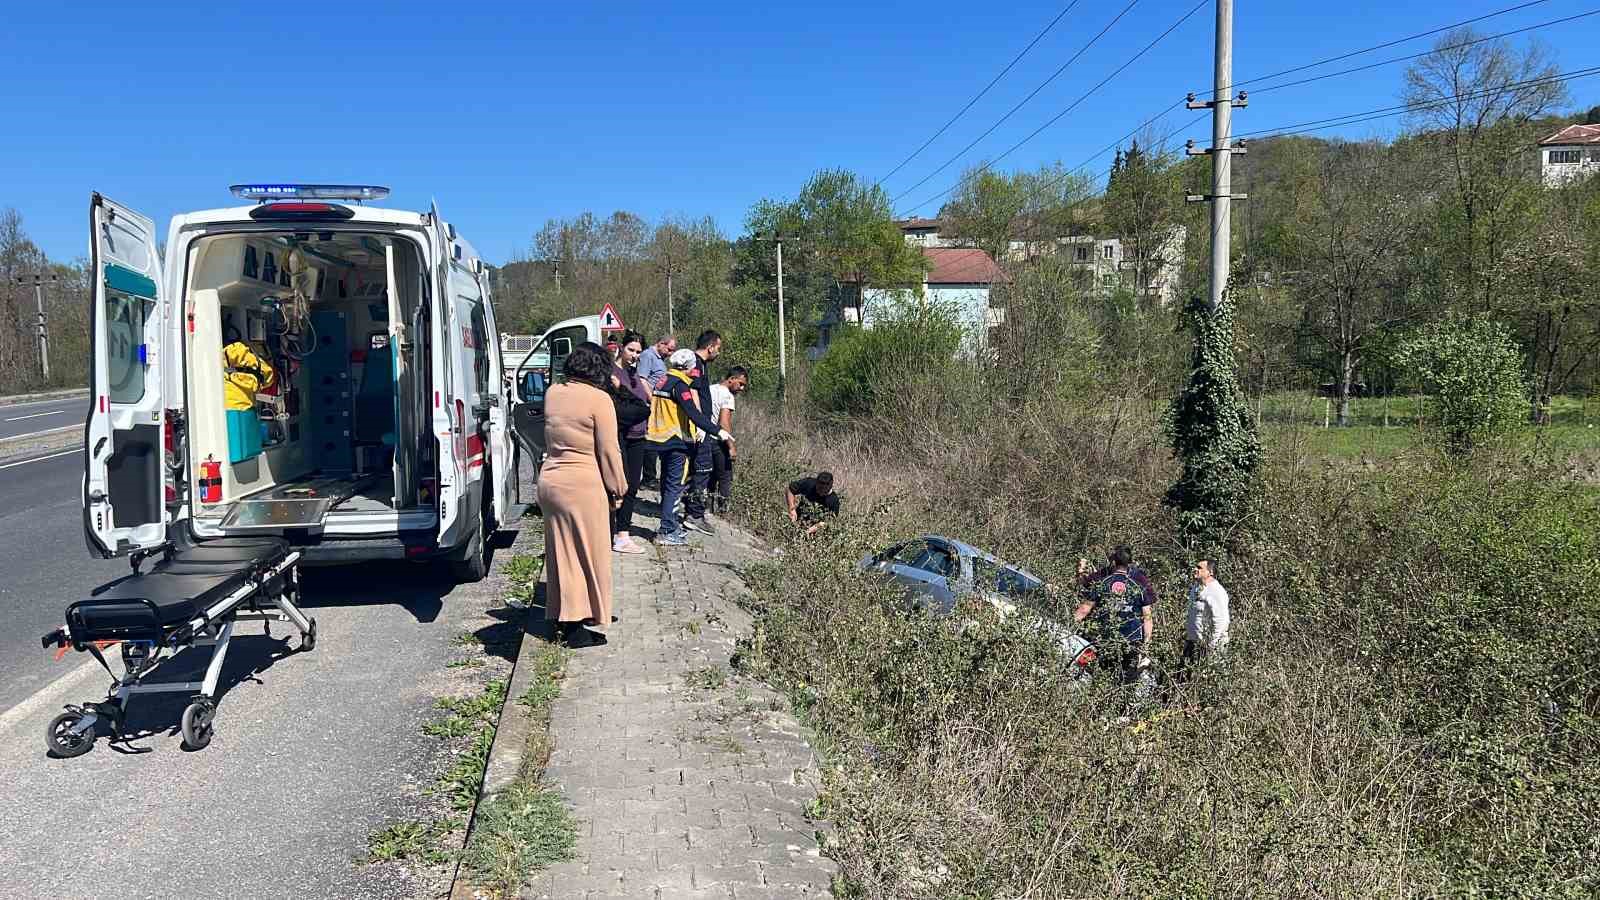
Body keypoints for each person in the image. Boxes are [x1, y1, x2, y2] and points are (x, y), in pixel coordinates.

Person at [538, 342, 628, 646]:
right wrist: (618, 488)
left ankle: (566, 617)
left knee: (562, 554)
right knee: (591, 555)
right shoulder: (599, 400)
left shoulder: (553, 393)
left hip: (551, 480)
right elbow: (608, 450)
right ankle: (578, 627)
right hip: (582, 484)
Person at [646, 348, 732, 546]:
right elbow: (693, 412)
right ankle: (667, 530)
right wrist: (717, 430)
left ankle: (670, 526)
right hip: (676, 441)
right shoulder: (680, 386)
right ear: (688, 367)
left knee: (667, 484)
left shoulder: (663, 380)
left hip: (659, 439)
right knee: (674, 487)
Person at [1074, 545, 1159, 689]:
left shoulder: (1103, 582)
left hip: (1105, 639)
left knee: (1099, 678)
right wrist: (1147, 643)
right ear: (1130, 562)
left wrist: (1070, 629)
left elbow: (1083, 610)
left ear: (1113, 562)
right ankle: (1120, 706)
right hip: (1131, 640)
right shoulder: (1139, 584)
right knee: (1125, 683)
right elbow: (1147, 617)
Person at [610, 332, 651, 554]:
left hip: (638, 436)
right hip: (622, 435)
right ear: (621, 348)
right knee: (620, 485)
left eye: (638, 352)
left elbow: (647, 401)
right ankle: (619, 534)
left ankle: (622, 532)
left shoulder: (635, 375)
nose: (634, 355)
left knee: (634, 485)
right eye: (631, 350)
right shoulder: (611, 373)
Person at [682, 330, 724, 535]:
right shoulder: (696, 364)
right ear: (711, 347)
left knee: (697, 469)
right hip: (700, 426)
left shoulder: (700, 364)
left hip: (701, 424)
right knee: (703, 469)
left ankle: (691, 509)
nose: (719, 352)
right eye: (718, 348)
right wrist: (700, 422)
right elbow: (693, 391)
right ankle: (695, 515)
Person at [707, 366, 748, 515]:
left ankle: (707, 508)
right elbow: (724, 422)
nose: (741, 388)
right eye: (740, 383)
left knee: (709, 475)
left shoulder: (710, 388)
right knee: (725, 476)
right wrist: (731, 446)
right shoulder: (728, 396)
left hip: (705, 437)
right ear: (731, 379)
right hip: (718, 439)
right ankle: (723, 513)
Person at [636, 334, 675, 488]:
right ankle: (648, 477)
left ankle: (650, 476)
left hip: (657, 405)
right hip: (648, 404)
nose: (670, 353)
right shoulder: (648, 356)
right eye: (669, 349)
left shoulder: (659, 359)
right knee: (649, 441)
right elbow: (642, 379)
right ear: (661, 343)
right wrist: (652, 400)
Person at [1183, 558, 1231, 668]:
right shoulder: (1196, 588)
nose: (1195, 569)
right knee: (1183, 679)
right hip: (1193, 643)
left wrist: (1211, 646)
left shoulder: (1216, 591)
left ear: (1210, 572)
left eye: (1199, 568)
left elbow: (1222, 621)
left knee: (1207, 681)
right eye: (1195, 567)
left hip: (1209, 647)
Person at [785, 471, 840, 536]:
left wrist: (812, 529)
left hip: (816, 533)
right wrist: (792, 509)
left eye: (825, 490)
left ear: (831, 486)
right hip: (797, 521)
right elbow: (790, 489)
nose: (821, 492)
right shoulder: (809, 484)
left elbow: (829, 521)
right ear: (816, 482)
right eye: (819, 488)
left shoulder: (834, 501)